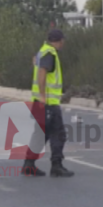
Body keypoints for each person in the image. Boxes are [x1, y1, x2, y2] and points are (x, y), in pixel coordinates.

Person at [21, 29, 74, 178]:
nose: (64, 43)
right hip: (47, 103)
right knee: (58, 134)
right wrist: (43, 96)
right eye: (63, 40)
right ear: (59, 40)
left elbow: (37, 66)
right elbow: (42, 73)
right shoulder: (49, 53)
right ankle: (56, 166)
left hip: (40, 102)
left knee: (40, 134)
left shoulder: (42, 51)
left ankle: (29, 165)